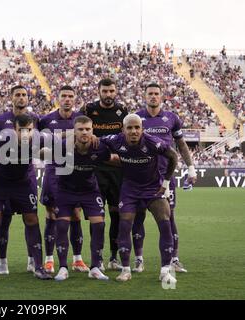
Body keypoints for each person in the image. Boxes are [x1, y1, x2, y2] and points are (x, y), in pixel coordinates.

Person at [101, 114, 179, 283]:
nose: (134, 131)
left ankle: (165, 270)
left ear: (142, 129)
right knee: (124, 225)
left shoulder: (152, 142)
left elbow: (173, 156)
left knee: (165, 222)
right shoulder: (115, 140)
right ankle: (126, 269)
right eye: (130, 128)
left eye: (137, 127)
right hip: (129, 190)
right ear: (123, 130)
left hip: (153, 189)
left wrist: (165, 182)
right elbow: (97, 143)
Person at [132, 83, 197, 273]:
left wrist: (191, 168)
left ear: (162, 97)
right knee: (138, 216)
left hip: (165, 177)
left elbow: (182, 145)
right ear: (144, 96)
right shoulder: (137, 117)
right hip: (141, 176)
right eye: (150, 94)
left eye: (156, 94)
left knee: (169, 218)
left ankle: (174, 259)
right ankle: (138, 259)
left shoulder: (171, 118)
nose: (153, 96)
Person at [0, 114, 52, 282]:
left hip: (23, 183)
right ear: (15, 130)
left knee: (32, 219)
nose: (26, 134)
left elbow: (59, 139)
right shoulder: (2, 139)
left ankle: (38, 267)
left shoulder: (39, 138)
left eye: (29, 130)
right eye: (22, 130)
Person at [54, 116, 114, 281]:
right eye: (80, 129)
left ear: (92, 130)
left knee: (99, 224)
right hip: (65, 190)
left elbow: (113, 157)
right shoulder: (62, 146)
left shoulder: (100, 147)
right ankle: (63, 268)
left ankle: (95, 267)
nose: (85, 132)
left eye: (88, 129)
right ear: (74, 131)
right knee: (61, 225)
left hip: (89, 190)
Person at [0, 85, 40, 275]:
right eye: (17, 95)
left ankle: (32, 261)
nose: (21, 98)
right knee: (4, 219)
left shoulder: (35, 119)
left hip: (27, 175)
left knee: (31, 218)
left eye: (24, 95)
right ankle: (2, 262)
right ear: (11, 98)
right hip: (4, 175)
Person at [38, 86, 89, 274]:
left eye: (70, 96)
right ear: (57, 98)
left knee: (76, 214)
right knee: (51, 214)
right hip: (53, 172)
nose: (67, 99)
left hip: (75, 173)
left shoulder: (80, 120)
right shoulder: (46, 120)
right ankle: (49, 260)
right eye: (64, 96)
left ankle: (77, 259)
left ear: (74, 99)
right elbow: (39, 146)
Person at [81, 78, 128, 271]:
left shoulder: (122, 112)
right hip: (96, 170)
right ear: (98, 91)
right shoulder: (89, 110)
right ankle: (96, 257)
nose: (108, 95)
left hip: (117, 171)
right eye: (105, 91)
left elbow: (126, 137)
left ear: (115, 92)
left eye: (111, 91)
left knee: (116, 214)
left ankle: (114, 257)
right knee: (96, 216)